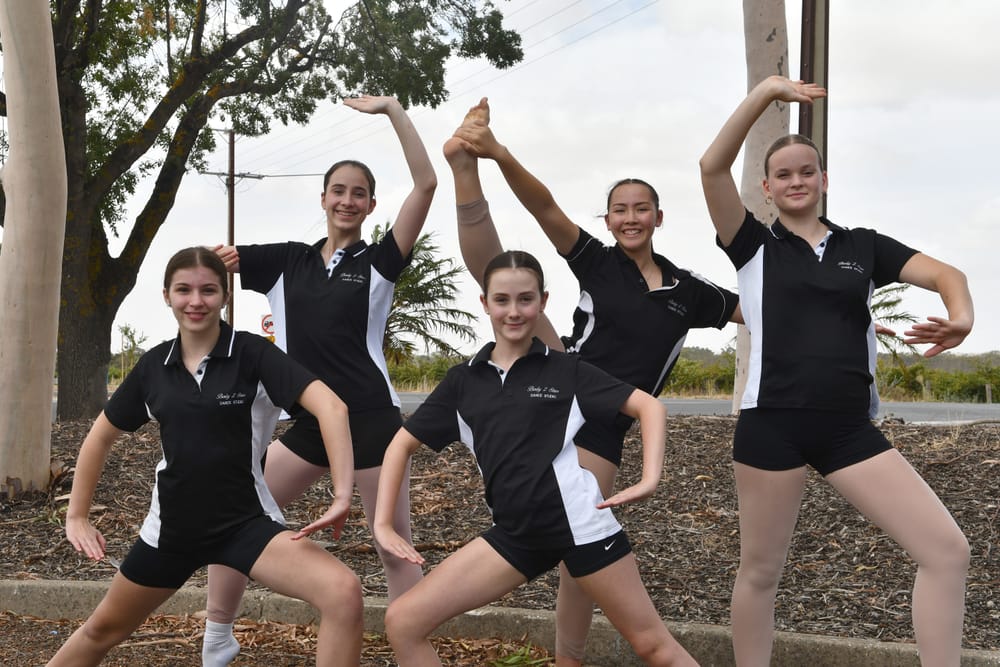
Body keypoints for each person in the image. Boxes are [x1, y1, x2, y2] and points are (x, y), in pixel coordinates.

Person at [444, 98, 740, 666]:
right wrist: (498, 154)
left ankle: (568, 659)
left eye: (641, 209)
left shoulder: (688, 290)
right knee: (503, 273)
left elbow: (762, 310)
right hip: (561, 372)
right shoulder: (598, 262)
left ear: (659, 216)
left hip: (604, 420)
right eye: (619, 210)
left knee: (582, 554)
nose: (630, 218)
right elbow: (544, 206)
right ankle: (466, 167)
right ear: (607, 220)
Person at [699, 75, 973, 666]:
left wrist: (961, 316)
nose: (796, 181)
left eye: (807, 171)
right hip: (771, 424)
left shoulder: (864, 247)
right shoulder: (751, 245)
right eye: (784, 174)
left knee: (947, 552)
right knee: (760, 571)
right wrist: (764, 95)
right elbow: (711, 168)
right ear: (767, 188)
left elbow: (949, 274)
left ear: (824, 180)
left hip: (849, 429)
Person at [374, 250, 698, 667]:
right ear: (485, 303)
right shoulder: (463, 382)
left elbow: (650, 408)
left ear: (543, 301)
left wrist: (649, 478)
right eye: (502, 300)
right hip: (515, 535)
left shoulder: (568, 370)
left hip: (582, 528)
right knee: (403, 621)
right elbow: (399, 444)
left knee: (652, 646)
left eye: (525, 299)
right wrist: (383, 523)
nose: (514, 311)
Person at [47, 247, 363, 667]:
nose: (196, 301)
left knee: (344, 592)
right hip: (172, 531)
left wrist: (342, 495)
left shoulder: (253, 354)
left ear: (225, 295)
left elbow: (332, 407)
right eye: (184, 290)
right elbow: (100, 437)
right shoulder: (154, 366)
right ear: (167, 296)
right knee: (101, 630)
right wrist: (76, 515)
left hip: (244, 525)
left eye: (208, 290)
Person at [206, 95, 432, 665]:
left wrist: (393, 111)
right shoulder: (288, 260)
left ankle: (411, 647)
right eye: (339, 190)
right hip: (308, 423)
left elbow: (426, 185)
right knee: (236, 512)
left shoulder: (379, 262)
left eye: (359, 193)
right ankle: (216, 633)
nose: (348, 200)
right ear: (324, 197)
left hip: (374, 425)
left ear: (370, 204)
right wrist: (210, 267)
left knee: (393, 547)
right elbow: (213, 268)